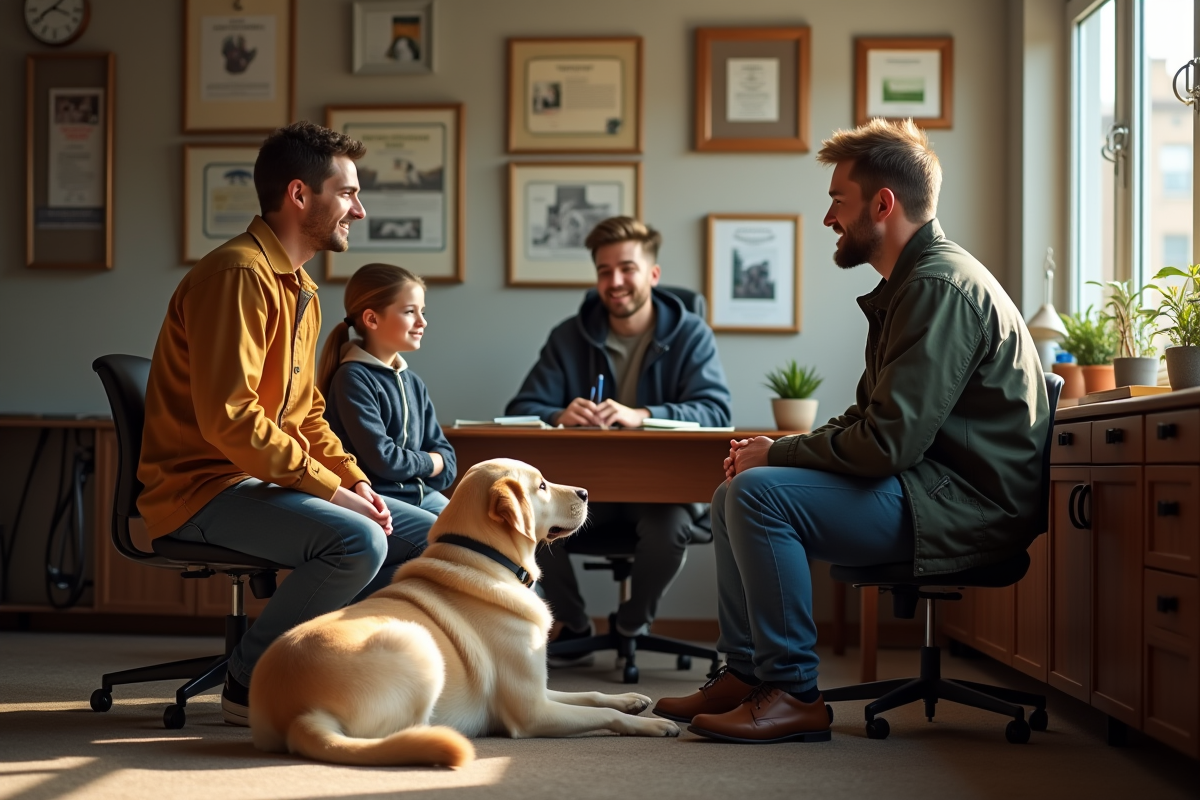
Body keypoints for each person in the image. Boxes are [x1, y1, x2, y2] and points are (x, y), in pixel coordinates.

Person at [653, 119, 1049, 743]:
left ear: (882, 204)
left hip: (964, 506)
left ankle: (794, 693)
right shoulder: (910, 285)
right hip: (928, 486)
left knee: (756, 495)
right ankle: (748, 673)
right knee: (734, 492)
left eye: (838, 199)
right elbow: (871, 420)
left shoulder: (937, 287)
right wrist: (771, 452)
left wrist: (779, 453)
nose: (828, 217)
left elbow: (888, 443)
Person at [138, 121, 428, 727]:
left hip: (256, 479)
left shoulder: (301, 289)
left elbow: (305, 414)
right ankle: (251, 682)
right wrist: (332, 493)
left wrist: (354, 480)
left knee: (434, 537)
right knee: (360, 540)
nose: (360, 210)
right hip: (202, 489)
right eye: (348, 193)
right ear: (299, 194)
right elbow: (233, 421)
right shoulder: (238, 275)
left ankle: (331, 668)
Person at [505, 217, 732, 664]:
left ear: (653, 274)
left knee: (668, 527)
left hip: (663, 491)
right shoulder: (569, 335)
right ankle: (573, 623)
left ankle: (631, 625)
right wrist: (558, 414)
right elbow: (520, 409)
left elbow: (715, 412)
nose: (615, 282)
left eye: (627, 269)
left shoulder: (691, 334)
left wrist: (644, 415)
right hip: (591, 488)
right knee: (529, 516)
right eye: (604, 271)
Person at [317, 262, 456, 597]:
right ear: (372, 319)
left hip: (422, 497)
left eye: (422, 311)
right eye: (410, 312)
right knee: (449, 549)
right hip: (381, 501)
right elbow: (384, 461)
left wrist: (433, 463)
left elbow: (449, 463)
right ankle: (352, 601)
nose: (422, 322)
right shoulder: (352, 379)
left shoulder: (413, 382)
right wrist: (431, 462)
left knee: (484, 544)